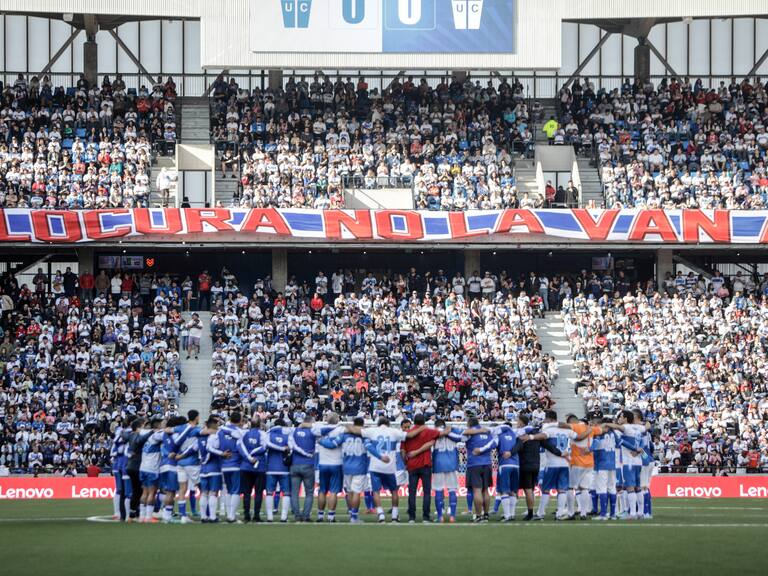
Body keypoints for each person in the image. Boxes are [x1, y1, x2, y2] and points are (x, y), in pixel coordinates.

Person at [318, 417, 389, 524]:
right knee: (356, 492)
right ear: (362, 425)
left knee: (350, 492)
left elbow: (331, 444)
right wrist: (381, 457)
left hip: (346, 467)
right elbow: (370, 448)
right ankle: (354, 517)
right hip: (360, 468)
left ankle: (351, 514)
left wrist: (321, 441)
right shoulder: (364, 436)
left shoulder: (344, 436)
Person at [348, 417, 408, 523]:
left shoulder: (372, 431)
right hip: (389, 466)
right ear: (388, 424)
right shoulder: (394, 432)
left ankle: (380, 515)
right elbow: (409, 435)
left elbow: (357, 431)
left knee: (376, 492)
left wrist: (344, 428)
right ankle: (394, 515)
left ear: (378, 424)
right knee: (394, 491)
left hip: (375, 466)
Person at [534, 410, 591, 521]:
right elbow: (579, 437)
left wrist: (531, 437)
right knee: (562, 490)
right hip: (565, 464)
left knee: (545, 489)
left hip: (552, 464)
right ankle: (560, 513)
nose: (544, 420)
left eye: (545, 418)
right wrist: (589, 431)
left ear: (550, 419)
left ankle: (540, 513)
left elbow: (542, 437)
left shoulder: (548, 429)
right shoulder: (567, 430)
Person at [402, 414, 441, 523]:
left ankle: (412, 517)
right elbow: (441, 433)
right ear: (424, 421)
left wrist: (405, 462)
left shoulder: (407, 433)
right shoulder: (428, 431)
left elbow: (403, 451)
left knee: (412, 492)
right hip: (425, 464)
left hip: (412, 465)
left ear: (413, 422)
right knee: (427, 492)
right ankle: (425, 517)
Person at [312, 413, 345, 523]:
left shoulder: (320, 429)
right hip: (336, 463)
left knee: (322, 490)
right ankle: (331, 516)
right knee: (333, 491)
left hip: (322, 463)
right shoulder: (340, 430)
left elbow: (313, 430)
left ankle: (320, 516)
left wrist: (321, 440)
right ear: (337, 420)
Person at [431, 419, 464, 523]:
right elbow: (461, 437)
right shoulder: (452, 432)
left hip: (438, 464)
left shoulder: (433, 433)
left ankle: (440, 516)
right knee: (452, 490)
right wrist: (450, 429)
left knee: (438, 490)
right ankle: (452, 516)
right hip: (452, 464)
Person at [174, 410, 202, 523]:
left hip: (180, 463)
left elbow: (168, 430)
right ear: (196, 417)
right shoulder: (197, 430)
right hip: (192, 463)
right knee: (203, 488)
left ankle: (183, 516)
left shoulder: (180, 428)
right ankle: (208, 514)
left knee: (182, 489)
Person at [238, 415, 267, 523]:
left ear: (250, 424)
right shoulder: (263, 434)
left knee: (246, 492)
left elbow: (239, 446)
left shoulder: (244, 433)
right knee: (258, 492)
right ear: (260, 424)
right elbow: (264, 447)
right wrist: (252, 454)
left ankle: (246, 515)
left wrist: (248, 457)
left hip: (245, 466)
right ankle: (256, 515)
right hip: (259, 467)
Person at [288, 416, 317, 522]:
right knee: (309, 492)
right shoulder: (313, 432)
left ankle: (297, 515)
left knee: (294, 493)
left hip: (295, 464)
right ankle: (305, 516)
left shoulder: (294, 431)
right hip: (308, 464)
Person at [218, 412, 244, 523]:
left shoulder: (220, 431)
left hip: (223, 464)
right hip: (236, 464)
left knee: (228, 490)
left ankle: (229, 514)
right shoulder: (240, 432)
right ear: (239, 421)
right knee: (235, 491)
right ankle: (232, 516)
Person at [265, 419, 292, 523]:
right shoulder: (288, 434)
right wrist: (284, 449)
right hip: (284, 468)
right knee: (286, 493)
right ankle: (283, 517)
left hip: (271, 467)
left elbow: (265, 445)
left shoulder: (269, 434)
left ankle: (269, 516)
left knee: (269, 493)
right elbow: (291, 448)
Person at [138, 417, 165, 523]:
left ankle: (141, 516)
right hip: (152, 469)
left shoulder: (145, 435)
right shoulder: (156, 435)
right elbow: (165, 434)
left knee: (144, 492)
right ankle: (149, 517)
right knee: (151, 493)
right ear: (158, 426)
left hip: (143, 467)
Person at [199, 417, 224, 523]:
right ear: (213, 426)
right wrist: (222, 453)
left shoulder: (200, 438)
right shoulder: (214, 437)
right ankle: (212, 517)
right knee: (213, 493)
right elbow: (212, 449)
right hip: (214, 467)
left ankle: (203, 516)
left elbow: (193, 449)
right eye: (217, 424)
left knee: (204, 493)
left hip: (203, 468)